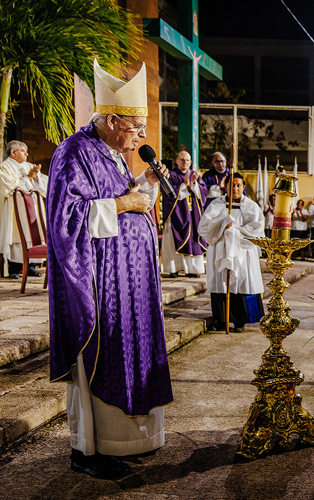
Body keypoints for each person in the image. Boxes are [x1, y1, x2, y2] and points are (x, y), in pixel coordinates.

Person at [47, 60, 172, 479]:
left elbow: (124, 200)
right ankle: (88, 451)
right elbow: (68, 218)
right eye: (136, 125)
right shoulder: (74, 153)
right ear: (113, 119)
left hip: (131, 280)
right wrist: (124, 204)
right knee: (102, 354)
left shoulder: (114, 154)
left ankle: (133, 440)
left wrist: (143, 190)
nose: (142, 135)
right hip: (99, 282)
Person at [198, 173, 265, 332]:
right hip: (221, 250)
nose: (234, 188)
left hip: (242, 251)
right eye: (231, 185)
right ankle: (221, 321)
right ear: (225, 186)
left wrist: (234, 230)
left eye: (238, 185)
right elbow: (204, 227)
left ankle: (240, 321)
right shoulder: (217, 204)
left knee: (241, 282)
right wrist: (223, 226)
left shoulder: (251, 206)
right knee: (221, 284)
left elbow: (257, 229)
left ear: (243, 187)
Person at [1, 140, 48, 278]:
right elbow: (9, 187)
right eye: (23, 151)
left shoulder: (29, 166)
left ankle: (31, 267)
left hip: (33, 207)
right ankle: (14, 268)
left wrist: (36, 177)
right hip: (16, 208)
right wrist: (28, 177)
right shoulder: (5, 167)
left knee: (34, 235)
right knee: (17, 237)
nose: (27, 153)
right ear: (13, 152)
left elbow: (42, 187)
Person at [161, 150, 206, 278]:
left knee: (193, 239)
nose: (185, 162)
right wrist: (185, 186)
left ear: (190, 162)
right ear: (176, 161)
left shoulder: (194, 175)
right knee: (172, 239)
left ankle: (192, 269)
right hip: (176, 215)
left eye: (187, 160)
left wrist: (193, 184)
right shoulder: (170, 175)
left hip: (192, 216)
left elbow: (203, 192)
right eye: (182, 160)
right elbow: (168, 193)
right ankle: (173, 269)